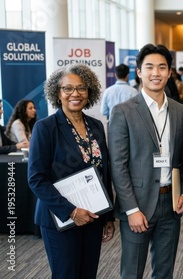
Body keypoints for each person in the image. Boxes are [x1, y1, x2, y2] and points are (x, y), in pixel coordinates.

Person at [108, 43, 183, 279]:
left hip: (171, 203)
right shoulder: (123, 111)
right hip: (138, 204)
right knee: (132, 272)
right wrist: (131, 209)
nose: (156, 73)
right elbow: (118, 165)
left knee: (165, 272)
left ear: (170, 72)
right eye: (150, 67)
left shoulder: (180, 111)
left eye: (162, 67)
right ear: (139, 71)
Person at [28, 64, 115, 278]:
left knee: (88, 274)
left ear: (89, 92)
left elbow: (105, 172)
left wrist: (108, 216)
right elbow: (36, 179)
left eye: (81, 88)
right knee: (66, 274)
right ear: (57, 94)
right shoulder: (45, 128)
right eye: (67, 88)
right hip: (61, 218)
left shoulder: (96, 126)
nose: (75, 94)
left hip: (93, 216)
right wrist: (71, 211)